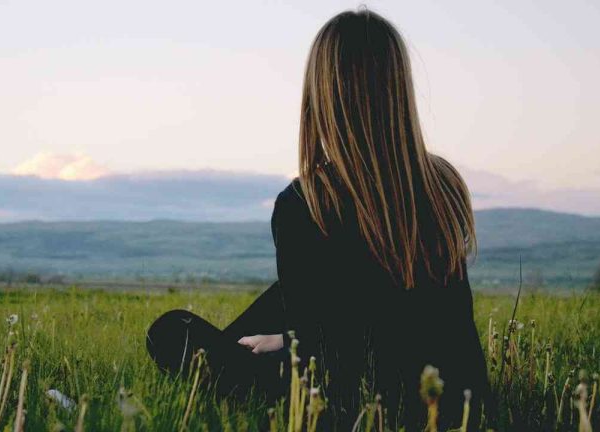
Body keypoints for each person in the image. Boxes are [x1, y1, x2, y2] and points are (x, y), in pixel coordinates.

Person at [146, 8, 491, 431]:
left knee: (169, 332)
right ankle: (247, 347)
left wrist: (287, 343)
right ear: (398, 88)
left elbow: (331, 355)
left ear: (323, 93)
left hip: (348, 402)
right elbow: (407, 314)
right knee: (283, 297)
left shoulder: (307, 202)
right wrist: (289, 338)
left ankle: (227, 360)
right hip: (455, 399)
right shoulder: (444, 184)